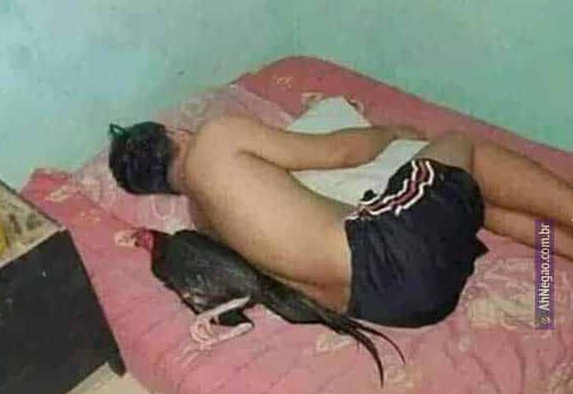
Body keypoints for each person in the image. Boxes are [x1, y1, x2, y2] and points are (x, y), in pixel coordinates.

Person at [108, 116, 573, 327]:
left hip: (398, 307)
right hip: (392, 255)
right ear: (174, 131)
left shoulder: (201, 222)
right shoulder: (216, 138)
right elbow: (340, 151)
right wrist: (390, 133)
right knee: (462, 146)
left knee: (466, 195)